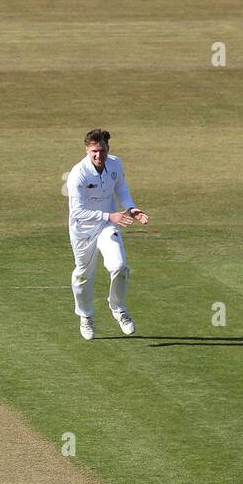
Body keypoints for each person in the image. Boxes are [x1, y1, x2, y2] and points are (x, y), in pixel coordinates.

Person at [65, 128, 149, 340]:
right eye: (94, 151)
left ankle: (119, 310)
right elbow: (77, 211)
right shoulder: (78, 174)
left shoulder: (115, 164)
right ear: (87, 149)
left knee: (119, 266)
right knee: (84, 275)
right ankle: (85, 316)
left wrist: (131, 208)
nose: (98, 156)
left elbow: (122, 189)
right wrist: (109, 216)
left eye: (101, 150)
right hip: (83, 229)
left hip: (107, 226)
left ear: (107, 148)